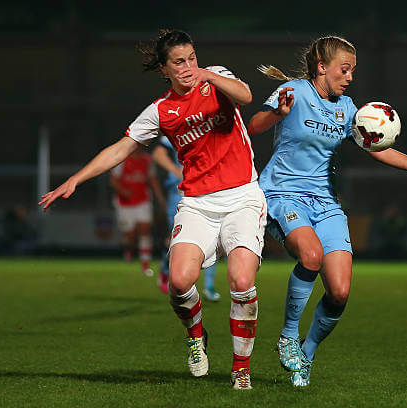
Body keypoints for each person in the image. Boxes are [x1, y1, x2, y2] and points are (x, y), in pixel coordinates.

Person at [39, 29, 267, 390]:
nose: (189, 66)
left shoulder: (216, 77)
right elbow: (121, 148)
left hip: (242, 196)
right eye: (179, 62)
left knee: (241, 281)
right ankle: (196, 336)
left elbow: (246, 95)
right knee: (178, 282)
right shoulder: (162, 110)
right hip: (197, 203)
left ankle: (241, 368)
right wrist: (76, 179)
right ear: (164, 69)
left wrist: (209, 74)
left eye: (192, 58)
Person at [247, 35, 407, 387]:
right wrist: (276, 113)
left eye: (353, 71)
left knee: (340, 291)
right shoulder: (295, 92)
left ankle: (307, 354)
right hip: (283, 194)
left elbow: (376, 148)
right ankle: (288, 336)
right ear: (322, 67)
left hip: (326, 202)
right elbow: (251, 127)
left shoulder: (349, 108)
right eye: (344, 69)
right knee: (311, 255)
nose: (350, 77)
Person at [152, 136, 221, 301]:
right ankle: (166, 268)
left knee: (213, 236)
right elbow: (158, 153)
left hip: (209, 190)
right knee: (176, 238)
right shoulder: (183, 123)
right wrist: (176, 171)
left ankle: (209, 286)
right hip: (181, 192)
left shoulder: (218, 123)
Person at [110, 146, 165, 276]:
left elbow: (152, 179)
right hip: (125, 203)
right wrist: (123, 190)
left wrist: (161, 198)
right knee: (130, 236)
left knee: (144, 230)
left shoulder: (147, 159)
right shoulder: (122, 159)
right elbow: (113, 179)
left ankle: (145, 265)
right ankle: (129, 250)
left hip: (143, 201)